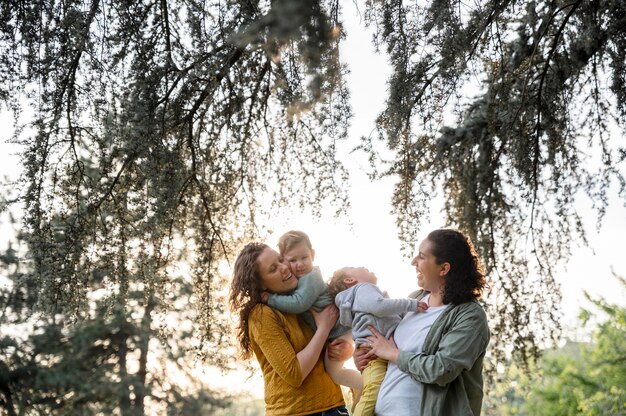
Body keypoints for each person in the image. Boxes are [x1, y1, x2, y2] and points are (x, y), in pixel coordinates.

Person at [356, 228, 490, 416]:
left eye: (421, 257)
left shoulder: (469, 316)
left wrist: (393, 354)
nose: (413, 262)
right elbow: (383, 343)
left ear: (444, 268)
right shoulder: (415, 300)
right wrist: (364, 357)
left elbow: (441, 369)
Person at [229, 242, 350, 416]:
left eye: (280, 260)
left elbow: (320, 352)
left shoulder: (302, 301)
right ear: (261, 285)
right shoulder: (262, 314)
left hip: (334, 405)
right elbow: (295, 374)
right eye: (273, 269)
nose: (284, 268)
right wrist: (324, 328)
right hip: (297, 411)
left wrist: (343, 350)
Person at [264, 231, 362, 396]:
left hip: (342, 329)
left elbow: (299, 303)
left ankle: (368, 385)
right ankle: (361, 387)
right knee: (336, 371)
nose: (300, 264)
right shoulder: (299, 282)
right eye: (292, 260)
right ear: (284, 260)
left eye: (304, 258)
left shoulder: (312, 278)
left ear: (313, 255)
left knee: (336, 373)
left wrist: (270, 299)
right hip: (335, 333)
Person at [327, 266, 428, 416]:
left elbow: (395, 316)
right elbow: (379, 306)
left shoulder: (363, 298)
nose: (363, 267)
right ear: (350, 280)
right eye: (356, 268)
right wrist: (411, 304)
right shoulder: (363, 288)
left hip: (379, 353)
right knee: (372, 391)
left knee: (376, 390)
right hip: (374, 354)